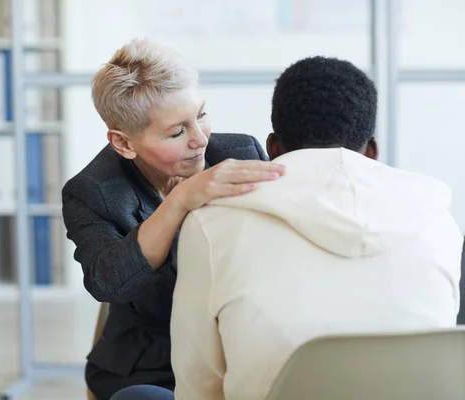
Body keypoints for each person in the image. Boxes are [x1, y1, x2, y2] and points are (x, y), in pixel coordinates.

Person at [171, 56, 464, 399]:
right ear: (371, 151)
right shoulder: (437, 218)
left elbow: (199, 385)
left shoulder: (211, 223)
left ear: (272, 148)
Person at [61, 38, 285, 400]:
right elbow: (109, 283)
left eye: (200, 115)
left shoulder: (242, 151)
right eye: (177, 131)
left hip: (241, 347)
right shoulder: (91, 192)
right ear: (123, 143)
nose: (200, 140)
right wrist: (180, 200)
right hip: (152, 362)